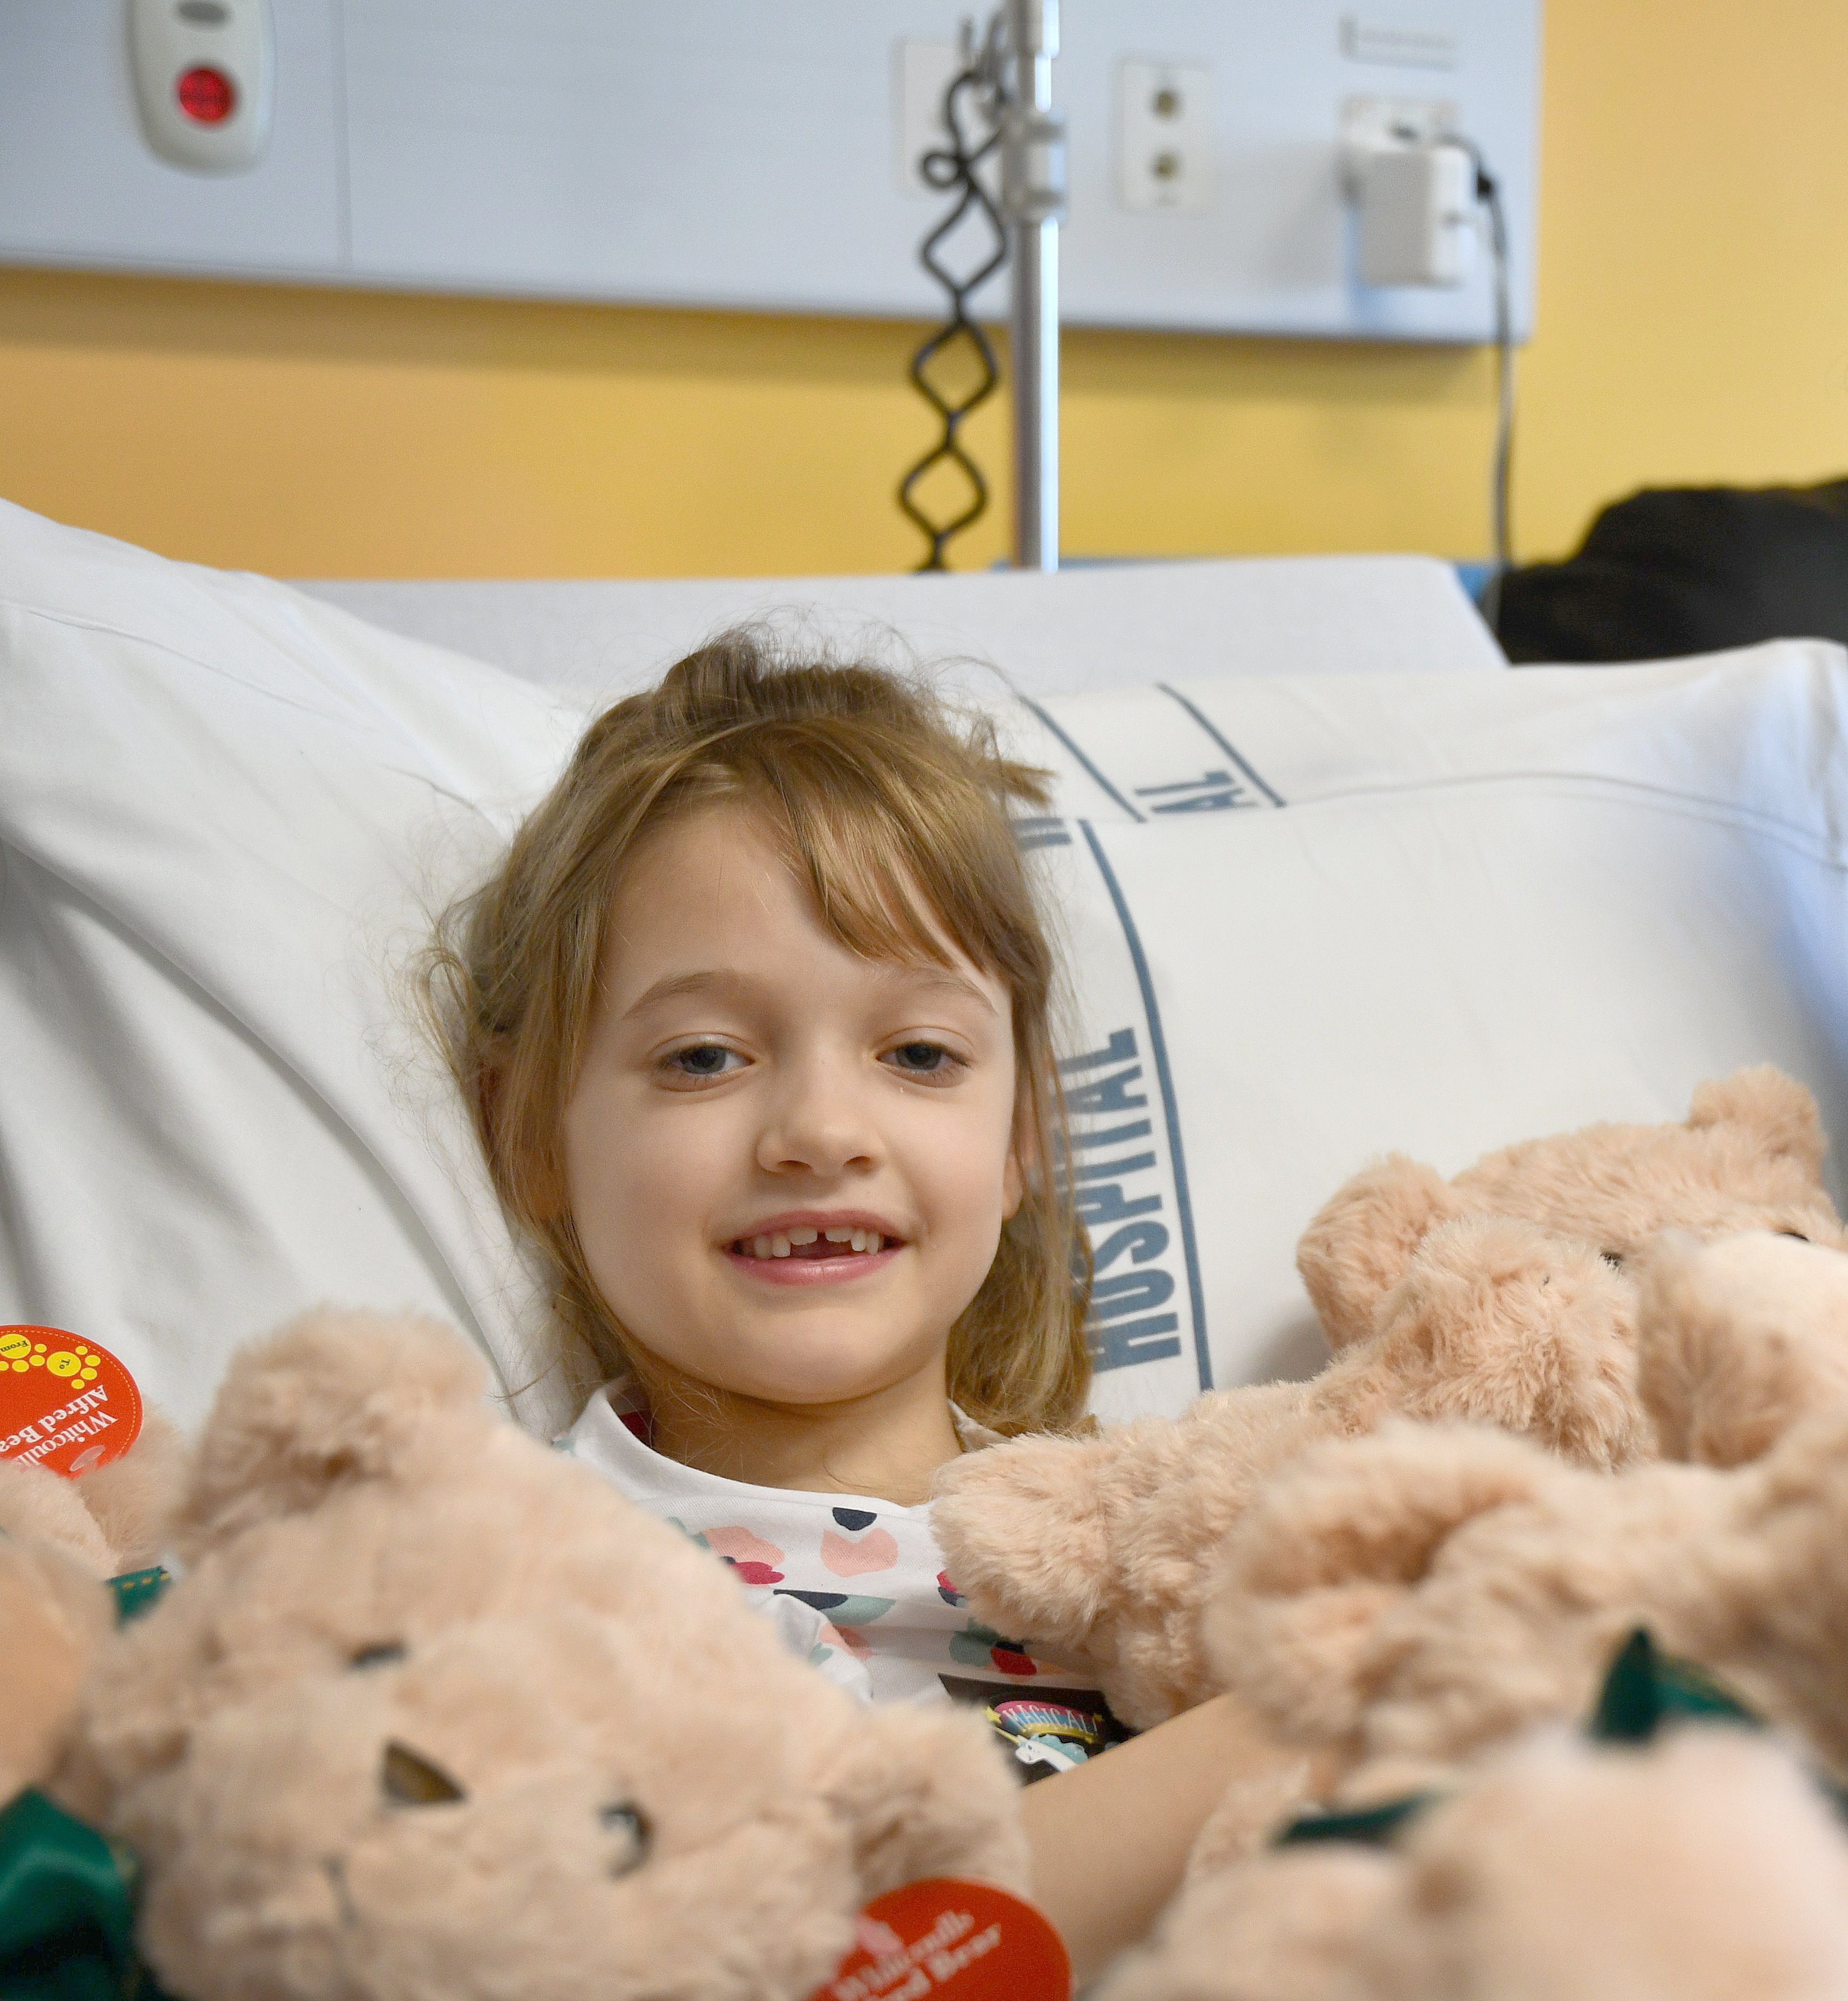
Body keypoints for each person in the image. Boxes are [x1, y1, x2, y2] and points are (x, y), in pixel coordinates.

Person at [421, 636, 1287, 1978]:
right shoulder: (539, 1578)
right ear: (526, 1126)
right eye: (704, 1056)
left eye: (919, 1053)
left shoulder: (1172, 1535)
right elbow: (845, 1958)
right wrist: (1341, 1704)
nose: (822, 1129)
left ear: (1023, 1137)